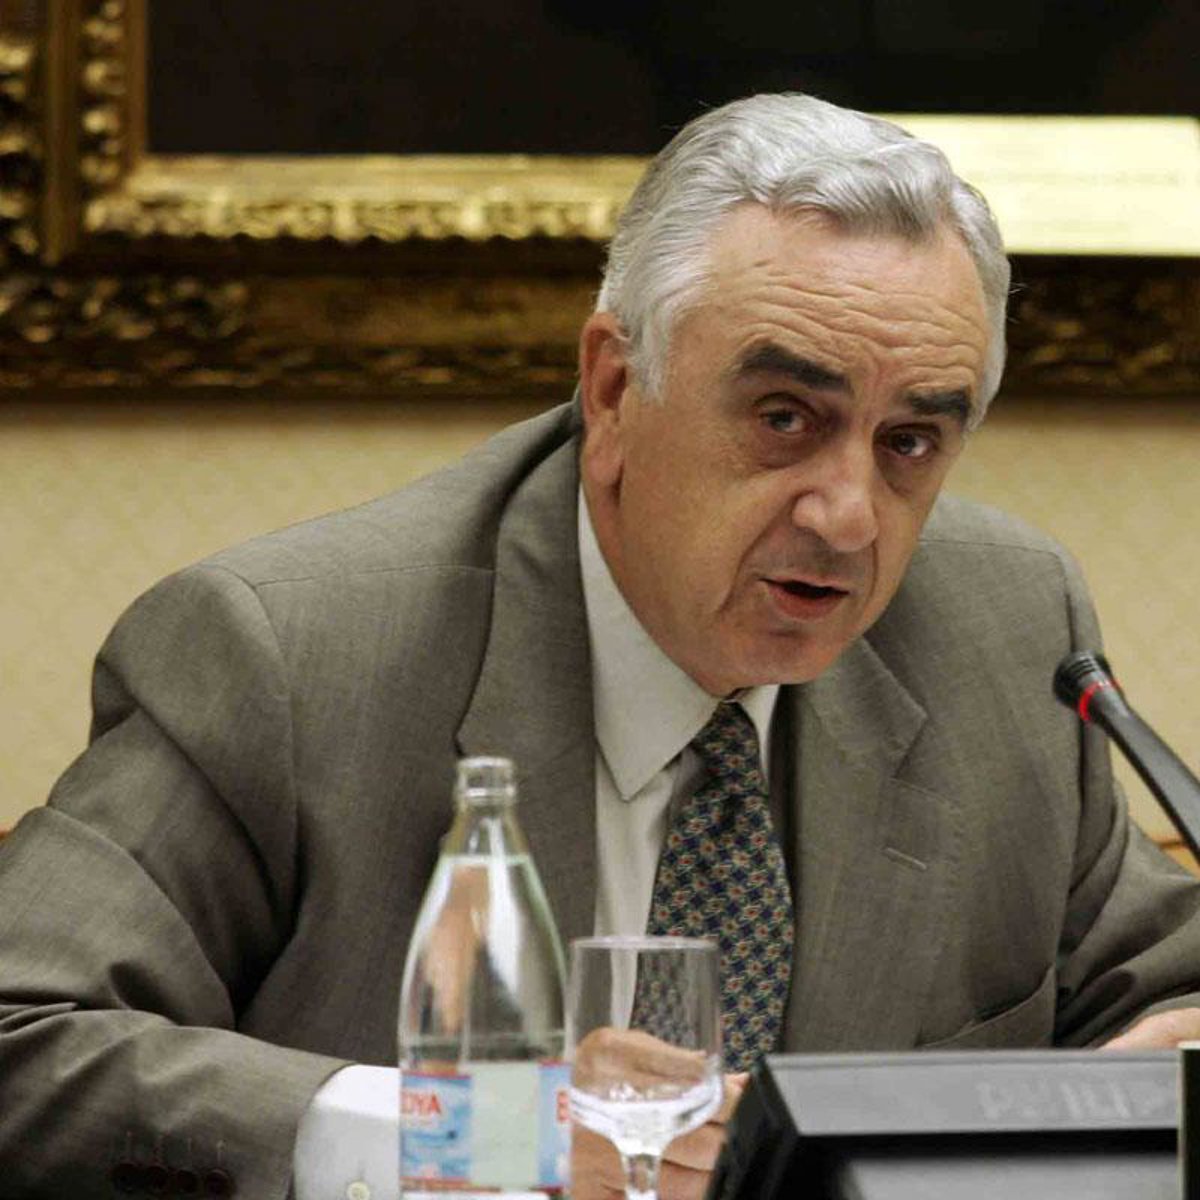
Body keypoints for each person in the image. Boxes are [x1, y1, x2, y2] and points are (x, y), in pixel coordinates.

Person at [2, 92, 1200, 1199]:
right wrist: (469, 1134)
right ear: (617, 390)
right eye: (786, 418)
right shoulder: (288, 656)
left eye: (910, 444)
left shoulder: (1003, 630)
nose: (847, 516)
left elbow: (1159, 989)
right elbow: (24, 1040)